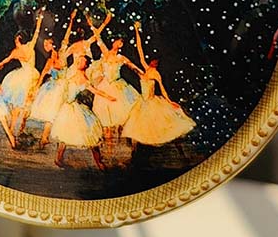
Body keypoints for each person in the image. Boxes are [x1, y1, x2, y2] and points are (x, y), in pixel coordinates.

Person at [121, 22, 196, 152]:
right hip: (143, 101)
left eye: (155, 61)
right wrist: (137, 31)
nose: (153, 62)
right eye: (153, 60)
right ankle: (136, 149)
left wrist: (169, 101)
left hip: (151, 102)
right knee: (136, 125)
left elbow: (162, 89)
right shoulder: (146, 68)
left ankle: (176, 149)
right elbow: (140, 50)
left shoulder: (156, 74)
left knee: (160, 126)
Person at [50, 54, 116, 169]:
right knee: (64, 133)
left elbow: (95, 91)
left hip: (75, 108)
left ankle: (99, 162)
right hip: (67, 107)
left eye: (82, 61)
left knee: (90, 134)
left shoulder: (84, 79)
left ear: (85, 65)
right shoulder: (72, 73)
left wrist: (109, 97)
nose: (78, 62)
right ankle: (58, 158)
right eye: (78, 60)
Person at [84, 14, 140, 142]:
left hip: (117, 86)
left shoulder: (121, 58)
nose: (118, 43)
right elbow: (98, 38)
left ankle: (124, 138)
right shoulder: (105, 53)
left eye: (121, 42)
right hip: (105, 85)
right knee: (105, 117)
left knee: (121, 114)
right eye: (117, 41)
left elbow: (133, 66)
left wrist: (143, 73)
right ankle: (109, 146)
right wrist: (91, 24)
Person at [0, 9, 45, 135]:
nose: (15, 42)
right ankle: (18, 126)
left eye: (16, 40)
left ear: (19, 40)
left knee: (19, 102)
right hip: (32, 75)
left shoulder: (18, 51)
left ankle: (15, 126)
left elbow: (5, 61)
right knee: (23, 103)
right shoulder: (29, 46)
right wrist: (39, 21)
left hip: (24, 78)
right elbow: (36, 33)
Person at [31, 10, 77, 146]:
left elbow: (67, 36)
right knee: (52, 112)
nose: (45, 46)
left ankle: (54, 137)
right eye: (45, 44)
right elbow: (43, 74)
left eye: (47, 44)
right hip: (53, 88)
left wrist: (71, 20)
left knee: (62, 112)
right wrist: (36, 88)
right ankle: (45, 137)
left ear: (53, 45)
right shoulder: (49, 61)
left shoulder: (62, 53)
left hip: (64, 86)